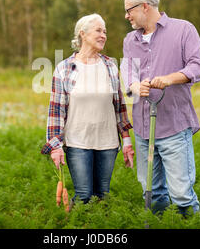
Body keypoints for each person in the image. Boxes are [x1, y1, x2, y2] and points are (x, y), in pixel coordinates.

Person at [120, 0, 200, 217]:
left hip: (173, 127)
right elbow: (128, 70)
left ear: (145, 6)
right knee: (152, 191)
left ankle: (190, 222)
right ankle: (160, 222)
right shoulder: (130, 40)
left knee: (181, 193)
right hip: (142, 129)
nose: (126, 16)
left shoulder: (183, 30)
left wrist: (168, 79)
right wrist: (134, 85)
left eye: (129, 10)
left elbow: (198, 65)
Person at [41, 13, 134, 205]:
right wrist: (55, 145)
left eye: (105, 31)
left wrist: (126, 141)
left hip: (107, 143)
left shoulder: (109, 66)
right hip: (77, 141)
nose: (103, 35)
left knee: (102, 196)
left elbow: (119, 107)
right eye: (98, 30)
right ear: (82, 34)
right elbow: (56, 111)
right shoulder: (65, 68)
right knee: (83, 195)